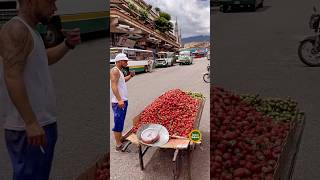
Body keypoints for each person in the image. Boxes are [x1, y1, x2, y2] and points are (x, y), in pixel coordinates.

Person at [0, 0, 81, 179]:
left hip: (40, 124)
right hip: (28, 129)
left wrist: (68, 44)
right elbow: (12, 76)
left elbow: (45, 58)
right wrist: (30, 122)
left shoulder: (31, 31)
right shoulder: (16, 30)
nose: (55, 7)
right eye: (51, 1)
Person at [110, 53, 135, 151]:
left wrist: (131, 76)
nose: (127, 62)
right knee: (118, 123)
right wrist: (119, 100)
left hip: (122, 101)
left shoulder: (120, 71)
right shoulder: (115, 71)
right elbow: (114, 86)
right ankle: (118, 145)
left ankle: (120, 138)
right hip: (118, 102)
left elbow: (123, 80)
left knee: (121, 121)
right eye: (125, 61)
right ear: (119, 61)